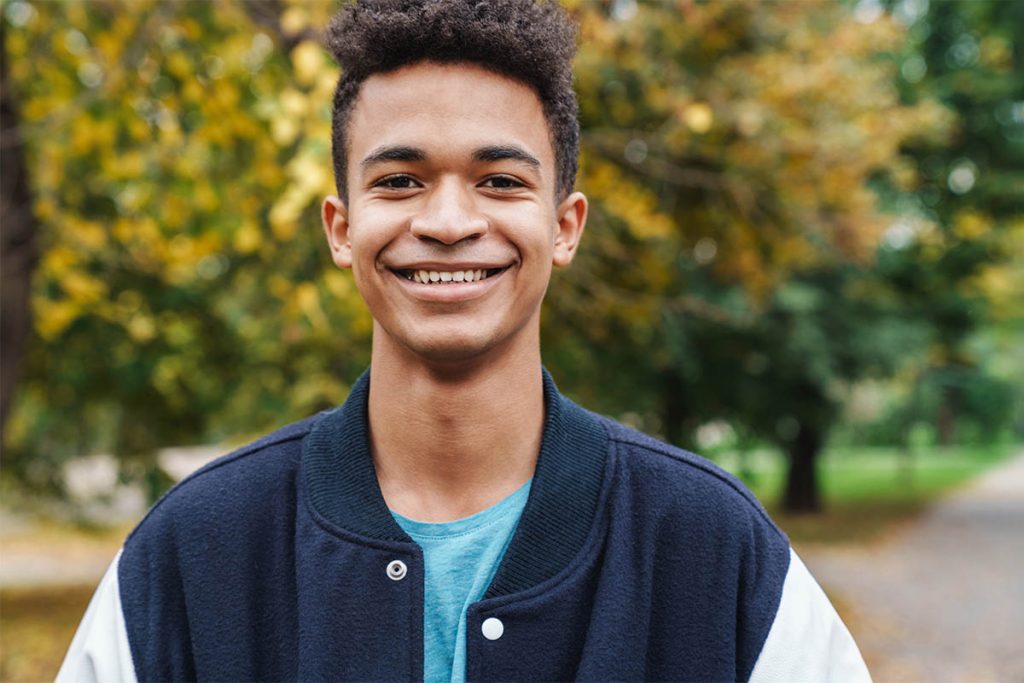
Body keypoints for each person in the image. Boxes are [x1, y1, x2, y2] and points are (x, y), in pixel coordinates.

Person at [58, 1, 871, 681]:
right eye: (400, 180)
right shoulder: (194, 551)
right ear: (342, 228)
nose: (448, 222)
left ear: (564, 226)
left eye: (501, 181)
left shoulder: (713, 548)